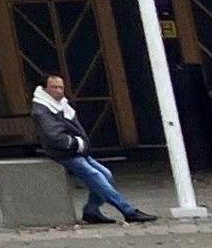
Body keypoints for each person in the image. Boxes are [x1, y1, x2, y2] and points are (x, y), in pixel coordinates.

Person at [32, 73, 155, 225]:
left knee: (106, 174)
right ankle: (128, 210)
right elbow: (55, 137)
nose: (59, 91)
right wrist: (78, 143)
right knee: (96, 176)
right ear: (45, 89)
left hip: (75, 150)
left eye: (61, 87)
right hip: (64, 153)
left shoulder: (59, 104)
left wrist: (80, 145)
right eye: (54, 87)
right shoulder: (42, 110)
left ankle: (91, 211)